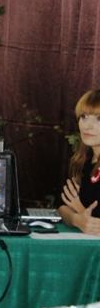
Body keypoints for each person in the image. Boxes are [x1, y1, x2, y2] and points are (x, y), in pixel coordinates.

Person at [58, 89, 100, 234]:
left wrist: (79, 209)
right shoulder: (83, 160)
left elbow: (96, 224)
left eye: (99, 119)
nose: (87, 125)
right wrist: (77, 219)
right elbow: (62, 207)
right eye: (84, 117)